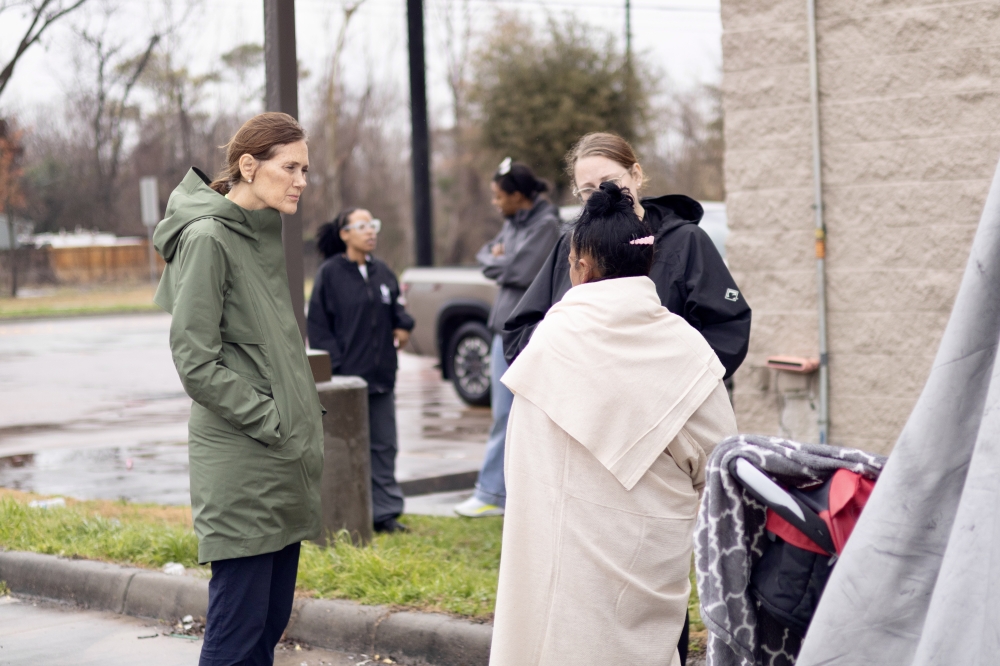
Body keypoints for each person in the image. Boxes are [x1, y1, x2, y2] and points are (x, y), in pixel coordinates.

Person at [489, 182, 738, 666]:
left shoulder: (545, 347)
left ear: (580, 265)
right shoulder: (685, 350)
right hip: (643, 577)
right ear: (647, 262)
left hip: (547, 579)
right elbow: (717, 466)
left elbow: (521, 464)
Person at [153, 112, 323, 666]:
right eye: (290, 167)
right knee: (234, 642)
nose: (300, 180)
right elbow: (195, 361)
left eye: (305, 169)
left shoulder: (260, 234)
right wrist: (274, 419)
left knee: (264, 632)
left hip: (279, 463)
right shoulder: (208, 238)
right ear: (249, 166)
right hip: (243, 463)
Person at [503, 131, 752, 378]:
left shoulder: (685, 243)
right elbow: (518, 337)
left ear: (636, 174)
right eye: (588, 190)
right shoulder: (569, 247)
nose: (602, 195)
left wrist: (672, 383)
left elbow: (727, 331)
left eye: (609, 182)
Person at [454, 158, 561, 518]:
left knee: (511, 415)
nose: (495, 203)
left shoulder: (546, 225)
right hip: (504, 330)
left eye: (499, 196)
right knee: (505, 414)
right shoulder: (514, 223)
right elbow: (485, 255)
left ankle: (492, 493)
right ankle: (500, 493)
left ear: (517, 195)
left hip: (527, 332)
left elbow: (519, 269)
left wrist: (505, 259)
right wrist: (501, 258)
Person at [307, 208, 415, 534]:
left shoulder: (383, 272)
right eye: (362, 226)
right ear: (344, 234)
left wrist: (403, 326)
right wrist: (337, 369)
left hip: (381, 379)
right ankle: (348, 513)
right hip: (346, 382)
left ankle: (384, 514)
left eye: (373, 225)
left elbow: (397, 308)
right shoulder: (329, 275)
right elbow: (319, 328)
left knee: (384, 446)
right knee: (349, 450)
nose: (371, 232)